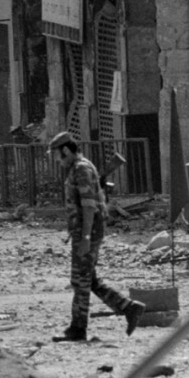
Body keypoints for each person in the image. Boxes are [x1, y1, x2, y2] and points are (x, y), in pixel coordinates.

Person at [48, 131, 145, 342]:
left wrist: (85, 238)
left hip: (88, 231)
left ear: (65, 150)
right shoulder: (81, 167)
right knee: (89, 280)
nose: (56, 159)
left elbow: (89, 206)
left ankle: (78, 328)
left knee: (80, 281)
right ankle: (128, 308)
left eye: (57, 154)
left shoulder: (81, 169)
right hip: (88, 230)